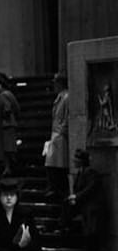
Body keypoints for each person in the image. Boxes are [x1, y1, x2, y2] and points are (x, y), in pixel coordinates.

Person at [45, 73, 71, 210]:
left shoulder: (66, 97)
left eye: (55, 82)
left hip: (60, 135)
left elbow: (67, 117)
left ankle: (56, 188)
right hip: (56, 135)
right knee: (51, 162)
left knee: (56, 164)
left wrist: (61, 131)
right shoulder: (60, 97)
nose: (53, 85)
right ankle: (53, 187)